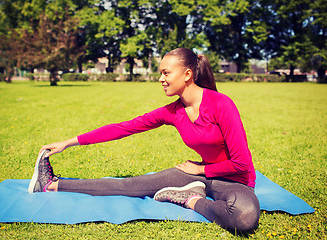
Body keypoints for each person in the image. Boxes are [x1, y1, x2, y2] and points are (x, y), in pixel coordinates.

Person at [28, 48, 260, 233]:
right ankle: (52, 184)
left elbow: (241, 163)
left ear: (187, 74)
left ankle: (190, 199)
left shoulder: (221, 104)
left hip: (234, 181)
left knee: (244, 217)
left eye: (166, 73)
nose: (160, 79)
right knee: (129, 185)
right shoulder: (173, 112)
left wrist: (200, 170)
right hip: (197, 174)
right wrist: (68, 142)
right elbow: (124, 128)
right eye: (161, 73)